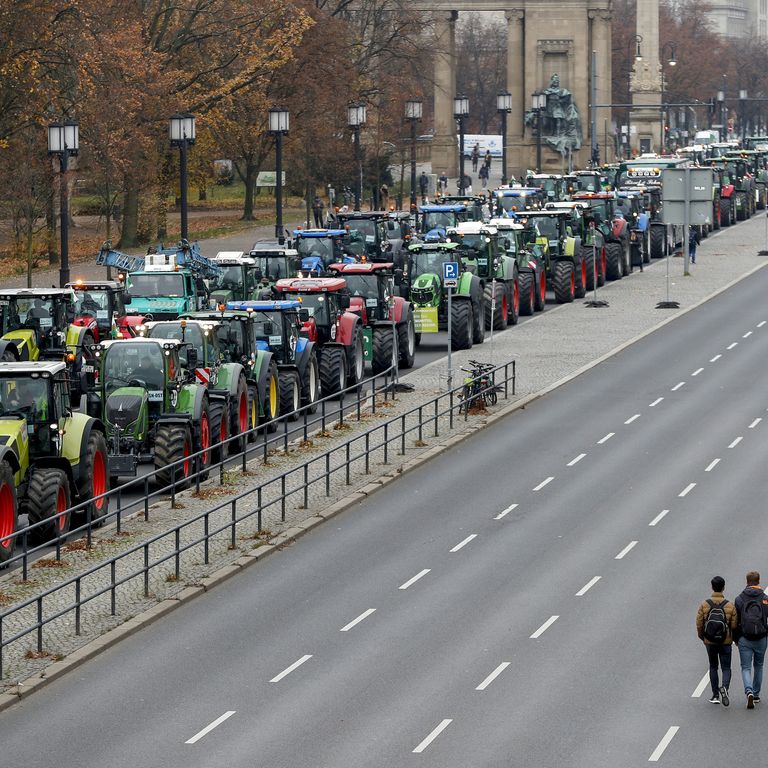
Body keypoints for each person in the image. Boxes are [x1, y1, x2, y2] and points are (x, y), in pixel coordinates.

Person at [697, 575, 738, 705]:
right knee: (726, 668)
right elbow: (734, 625)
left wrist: (703, 637)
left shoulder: (704, 604)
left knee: (713, 666)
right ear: (724, 587)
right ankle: (724, 688)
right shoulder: (730, 605)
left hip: (710, 641)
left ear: (712, 587)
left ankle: (715, 695)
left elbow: (699, 623)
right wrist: (733, 638)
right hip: (725, 642)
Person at [734, 571, 768, 709]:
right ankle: (756, 694)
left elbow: (735, 621)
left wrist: (737, 638)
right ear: (758, 581)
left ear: (747, 582)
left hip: (745, 638)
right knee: (759, 666)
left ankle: (748, 691)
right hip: (761, 637)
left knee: (746, 667)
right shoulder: (765, 598)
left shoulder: (739, 599)